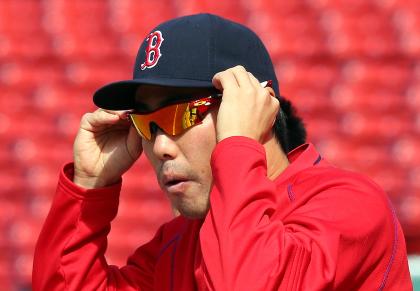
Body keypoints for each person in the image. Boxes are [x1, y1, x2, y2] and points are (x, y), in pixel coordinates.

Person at [32, 13, 413, 290]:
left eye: (182, 114)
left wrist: (237, 145)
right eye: (147, 124)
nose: (160, 146)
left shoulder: (349, 205)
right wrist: (89, 189)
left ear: (250, 107)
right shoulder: (179, 242)